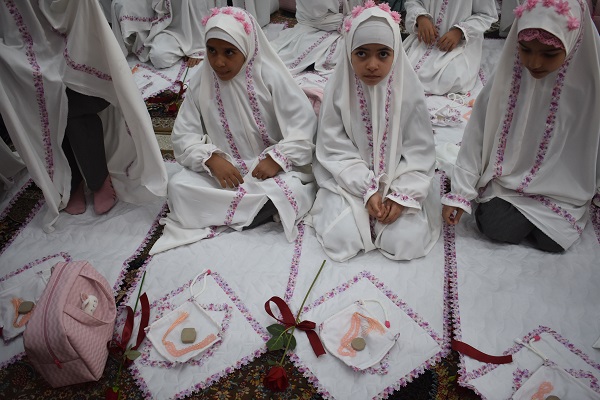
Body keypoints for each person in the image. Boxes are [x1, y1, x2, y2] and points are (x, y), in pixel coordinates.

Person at [150, 7, 318, 254]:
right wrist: (211, 159)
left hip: (271, 173)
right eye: (212, 51)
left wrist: (277, 159)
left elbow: (303, 130)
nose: (219, 62)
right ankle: (255, 211)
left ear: (247, 48)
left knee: (293, 189)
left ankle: (235, 211)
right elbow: (183, 136)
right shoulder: (201, 81)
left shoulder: (270, 77)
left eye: (229, 52)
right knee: (178, 187)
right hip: (224, 174)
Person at [442, 0, 600, 252]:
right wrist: (461, 192)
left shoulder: (590, 87)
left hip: (565, 192)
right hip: (509, 184)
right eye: (525, 50)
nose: (534, 63)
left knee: (555, 240)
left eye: (549, 54)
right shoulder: (508, 79)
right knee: (495, 224)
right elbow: (477, 135)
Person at [0, 0, 168, 232]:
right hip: (16, 42)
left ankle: (96, 177)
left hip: (64, 31)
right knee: (42, 103)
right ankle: (72, 179)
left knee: (71, 96)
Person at [309, 1, 442, 262]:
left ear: (396, 53)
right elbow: (333, 146)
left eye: (383, 54)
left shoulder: (409, 92)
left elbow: (419, 152)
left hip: (398, 178)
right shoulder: (339, 90)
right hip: (347, 182)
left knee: (405, 241)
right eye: (361, 53)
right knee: (342, 238)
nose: (372, 65)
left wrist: (402, 195)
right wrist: (366, 188)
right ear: (348, 52)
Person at [402, 0, 498, 95]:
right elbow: (412, 2)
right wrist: (421, 18)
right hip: (423, 40)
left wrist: (460, 31)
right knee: (403, 69)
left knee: (449, 79)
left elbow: (486, 15)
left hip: (459, 44)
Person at [111, 0, 220, 69]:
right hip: (168, 26)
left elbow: (202, 13)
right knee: (159, 58)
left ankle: (193, 47)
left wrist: (198, 49)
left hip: (198, 30)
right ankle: (183, 48)